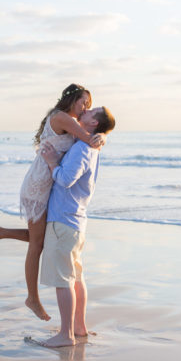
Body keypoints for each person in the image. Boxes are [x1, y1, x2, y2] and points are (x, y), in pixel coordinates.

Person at [0, 84, 106, 321]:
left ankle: (0, 232)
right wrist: (102, 137)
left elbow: (89, 137)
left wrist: (102, 135)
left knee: (45, 238)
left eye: (89, 104)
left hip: (47, 183)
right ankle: (32, 298)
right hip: (39, 185)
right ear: (71, 100)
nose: (86, 107)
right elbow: (89, 138)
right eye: (84, 102)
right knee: (37, 244)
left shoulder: (69, 120)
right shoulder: (63, 118)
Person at [37, 106, 116, 347]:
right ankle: (79, 328)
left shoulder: (83, 148)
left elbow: (65, 179)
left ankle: (65, 335)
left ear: (93, 124)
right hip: (76, 221)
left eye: (92, 111)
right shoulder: (91, 146)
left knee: (64, 280)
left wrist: (52, 163)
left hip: (63, 219)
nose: (86, 110)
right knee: (75, 278)